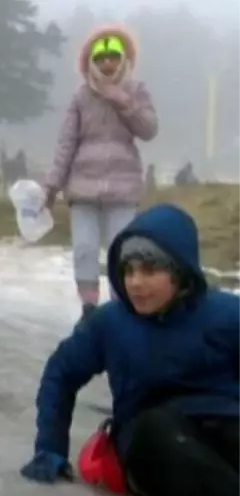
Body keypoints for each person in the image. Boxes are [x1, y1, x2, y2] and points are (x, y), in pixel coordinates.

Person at [21, 204, 240, 496]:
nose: (135, 282)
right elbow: (61, 373)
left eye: (150, 269)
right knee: (167, 435)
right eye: (128, 270)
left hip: (221, 421)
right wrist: (50, 445)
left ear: (180, 272)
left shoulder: (226, 316)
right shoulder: (110, 324)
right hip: (148, 439)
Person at [44, 26, 157, 324]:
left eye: (113, 56)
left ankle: (122, 305)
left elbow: (149, 130)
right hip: (83, 188)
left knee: (123, 250)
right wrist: (53, 183)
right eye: (102, 57)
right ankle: (89, 307)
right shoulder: (80, 97)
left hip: (123, 188)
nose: (107, 63)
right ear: (91, 61)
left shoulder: (136, 91)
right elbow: (66, 141)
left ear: (124, 59)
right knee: (84, 248)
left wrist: (124, 101)